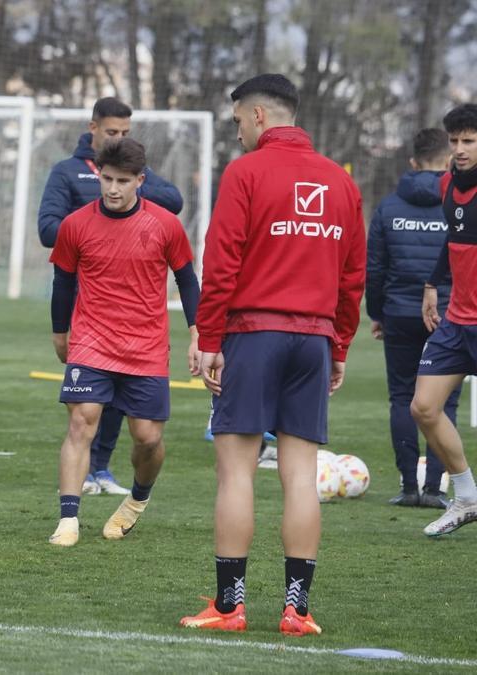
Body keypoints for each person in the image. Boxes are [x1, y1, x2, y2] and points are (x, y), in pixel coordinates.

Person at [181, 74, 365, 636]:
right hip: (312, 340)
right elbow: (352, 277)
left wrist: (209, 340)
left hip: (253, 336)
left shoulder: (247, 172)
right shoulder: (340, 181)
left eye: (237, 121)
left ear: (259, 115)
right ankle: (297, 610)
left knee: (235, 471)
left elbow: (222, 261)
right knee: (300, 476)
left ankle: (230, 606)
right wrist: (338, 346)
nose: (236, 133)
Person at [47, 138, 200, 548]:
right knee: (82, 421)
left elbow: (187, 279)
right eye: (107, 179)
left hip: (146, 345)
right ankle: (68, 519)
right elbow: (63, 281)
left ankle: (136, 500)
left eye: (123, 181)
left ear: (140, 181)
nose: (113, 189)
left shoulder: (165, 225)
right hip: (91, 339)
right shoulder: (76, 224)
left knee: (147, 437)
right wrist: (60, 331)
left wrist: (197, 332)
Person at [37, 96, 184, 497]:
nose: (117, 137)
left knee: (132, 412)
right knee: (86, 410)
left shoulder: (131, 176)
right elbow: (48, 227)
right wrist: (95, 218)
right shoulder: (66, 172)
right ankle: (80, 486)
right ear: (93, 128)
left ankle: (101, 467)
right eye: (111, 132)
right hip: (87, 299)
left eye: (124, 133)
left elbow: (173, 200)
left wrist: (125, 199)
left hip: (134, 307)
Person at [367, 128, 458, 509]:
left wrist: (377, 313)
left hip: (399, 313)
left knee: (403, 396)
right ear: (449, 160)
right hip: (451, 314)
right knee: (445, 403)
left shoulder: (389, 207)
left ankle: (408, 487)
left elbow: (373, 268)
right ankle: (435, 489)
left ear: (413, 163)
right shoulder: (460, 204)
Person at [412, 103, 477, 536]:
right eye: (454, 141)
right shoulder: (448, 183)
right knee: (424, 407)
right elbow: (453, 241)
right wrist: (432, 284)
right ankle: (467, 497)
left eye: (469, 141)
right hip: (457, 321)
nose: (459, 148)